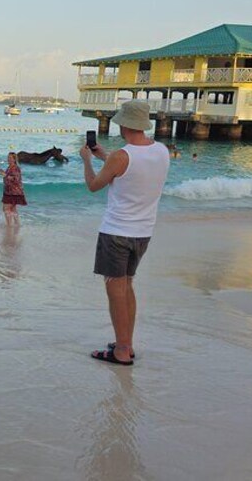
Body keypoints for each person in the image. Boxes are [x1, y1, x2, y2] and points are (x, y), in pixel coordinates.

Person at [80, 100, 169, 366]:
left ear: (125, 124)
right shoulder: (161, 151)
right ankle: (126, 342)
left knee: (115, 289)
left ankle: (121, 350)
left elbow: (94, 185)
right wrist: (104, 156)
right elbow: (134, 170)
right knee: (127, 284)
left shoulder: (122, 155)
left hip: (116, 231)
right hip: (143, 232)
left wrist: (87, 161)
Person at [0, 152, 26, 225]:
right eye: (8, 158)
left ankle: (9, 225)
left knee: (6, 208)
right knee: (13, 209)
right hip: (8, 191)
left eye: (10, 158)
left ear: (14, 159)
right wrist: (3, 173)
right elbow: (8, 176)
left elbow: (16, 179)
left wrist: (5, 175)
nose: (8, 159)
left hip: (14, 191)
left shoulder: (15, 168)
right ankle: (17, 224)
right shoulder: (9, 167)